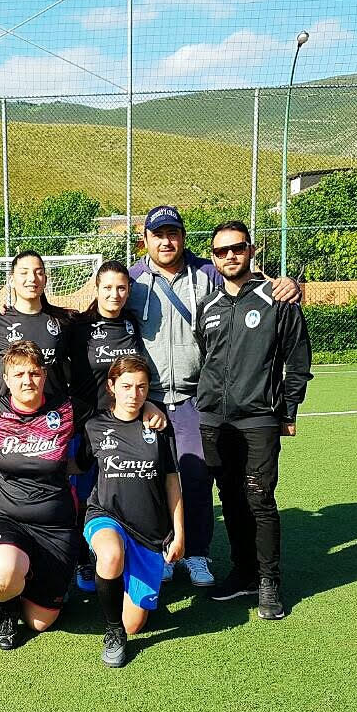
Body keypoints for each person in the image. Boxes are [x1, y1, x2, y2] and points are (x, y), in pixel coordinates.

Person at [128, 204, 301, 589]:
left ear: (184, 237)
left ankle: (198, 554)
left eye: (173, 233)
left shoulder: (207, 272)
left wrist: (288, 285)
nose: (166, 240)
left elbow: (254, 287)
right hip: (148, 400)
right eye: (159, 235)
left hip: (195, 399)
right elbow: (98, 309)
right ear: (146, 241)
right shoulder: (133, 280)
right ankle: (163, 551)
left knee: (198, 479)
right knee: (149, 480)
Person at [195, 221, 312, 620]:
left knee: (259, 499)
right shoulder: (207, 306)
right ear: (213, 258)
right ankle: (243, 571)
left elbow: (298, 361)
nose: (230, 255)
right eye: (221, 251)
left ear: (251, 250)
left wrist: (289, 410)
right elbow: (206, 357)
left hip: (258, 418)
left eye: (237, 248)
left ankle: (268, 581)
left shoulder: (278, 300)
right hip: (213, 418)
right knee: (229, 498)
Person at [78, 355, 185, 667]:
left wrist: (178, 534)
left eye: (141, 387)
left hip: (149, 531)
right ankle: (113, 633)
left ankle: (125, 604)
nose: (134, 394)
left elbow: (171, 484)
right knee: (110, 554)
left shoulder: (159, 427)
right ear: (111, 387)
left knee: (134, 625)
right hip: (105, 515)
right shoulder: (94, 426)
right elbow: (76, 466)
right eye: (126, 386)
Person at [0, 340, 80, 650]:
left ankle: (30, 577)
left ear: (44, 376)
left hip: (55, 526)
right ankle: (6, 605)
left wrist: (151, 407)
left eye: (34, 373)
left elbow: (112, 411)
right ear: (6, 379)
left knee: (40, 623)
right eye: (18, 374)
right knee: (4, 575)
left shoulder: (67, 409)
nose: (27, 381)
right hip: (5, 517)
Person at [67, 260, 144, 592]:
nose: (115, 294)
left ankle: (128, 553)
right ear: (96, 289)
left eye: (122, 288)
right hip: (87, 427)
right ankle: (84, 560)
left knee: (123, 493)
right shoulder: (77, 328)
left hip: (126, 426)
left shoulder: (132, 324)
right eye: (108, 287)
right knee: (85, 496)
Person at [0, 250, 73, 401]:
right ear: (11, 280)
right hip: (8, 417)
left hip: (52, 415)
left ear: (45, 279)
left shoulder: (62, 322)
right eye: (24, 273)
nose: (32, 278)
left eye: (38, 272)